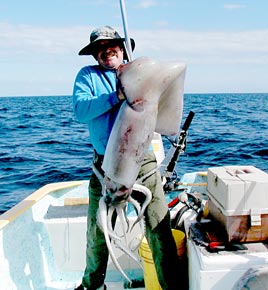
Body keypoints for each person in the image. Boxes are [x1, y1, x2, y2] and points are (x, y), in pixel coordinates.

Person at [73, 25, 182, 290]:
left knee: (158, 226)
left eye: (111, 46)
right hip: (105, 165)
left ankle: (172, 286)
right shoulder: (88, 76)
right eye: (99, 49)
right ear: (94, 55)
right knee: (98, 232)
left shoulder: (140, 74)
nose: (105, 51)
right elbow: (81, 110)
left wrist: (139, 83)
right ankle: (91, 285)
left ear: (122, 48)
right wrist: (118, 95)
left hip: (141, 161)